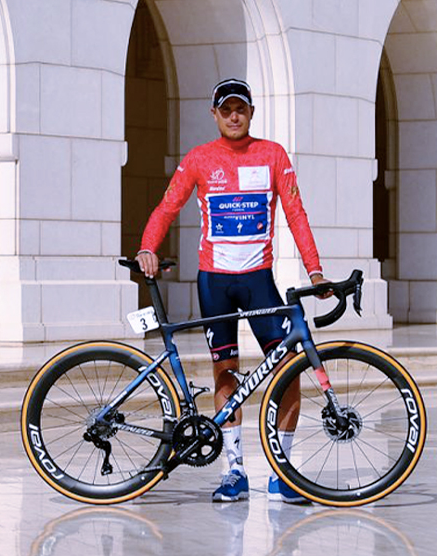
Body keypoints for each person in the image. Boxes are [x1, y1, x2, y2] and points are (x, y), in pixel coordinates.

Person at [136, 78, 328, 504]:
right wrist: (148, 246)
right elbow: (167, 206)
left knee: (288, 369)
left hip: (259, 280)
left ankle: (283, 472)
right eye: (226, 110)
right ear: (215, 114)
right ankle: (234, 471)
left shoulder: (272, 154)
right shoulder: (200, 158)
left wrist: (315, 271)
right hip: (215, 281)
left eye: (241, 109)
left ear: (252, 112)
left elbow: (296, 213)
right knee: (225, 371)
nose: (234, 116)